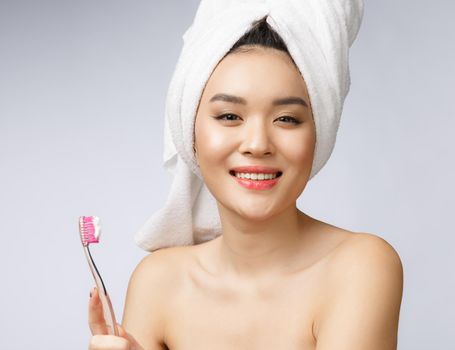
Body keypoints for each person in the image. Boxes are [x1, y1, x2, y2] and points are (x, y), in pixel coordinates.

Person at [87, 6, 403, 350]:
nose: (257, 144)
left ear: (320, 133)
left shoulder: (358, 267)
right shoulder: (158, 281)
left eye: (286, 119)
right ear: (189, 132)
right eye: (229, 116)